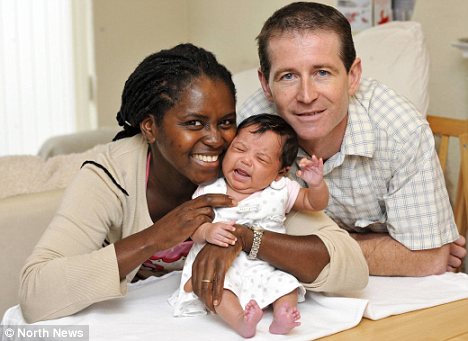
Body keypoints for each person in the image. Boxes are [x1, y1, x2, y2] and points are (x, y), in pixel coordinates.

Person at [18, 43, 368, 323]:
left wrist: (245, 237)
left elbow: (350, 269)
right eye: (194, 123)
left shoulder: (245, 170)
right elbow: (35, 295)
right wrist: (157, 236)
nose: (216, 140)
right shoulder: (108, 175)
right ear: (150, 127)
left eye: (226, 121)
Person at [237, 1, 466, 277]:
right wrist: (390, 250)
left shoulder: (401, 131)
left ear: (353, 76)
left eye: (322, 73)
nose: (306, 96)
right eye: (288, 76)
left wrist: (292, 249)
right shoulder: (249, 130)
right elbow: (233, 232)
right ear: (266, 86)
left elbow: (428, 259)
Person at [170, 114, 328, 337]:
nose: (245, 160)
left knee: (286, 283)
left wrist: (316, 184)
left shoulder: (281, 189)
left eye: (261, 159)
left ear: (280, 172)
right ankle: (240, 321)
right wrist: (207, 231)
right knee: (219, 289)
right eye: (239, 149)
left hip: (264, 264)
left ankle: (284, 313)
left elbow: (314, 203)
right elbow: (193, 229)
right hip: (219, 267)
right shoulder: (209, 189)